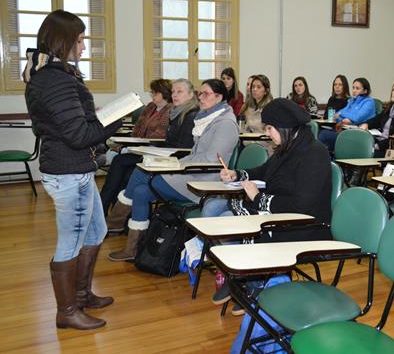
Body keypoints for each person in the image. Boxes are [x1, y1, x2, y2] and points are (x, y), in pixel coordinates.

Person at [24, 10, 121, 330]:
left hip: (75, 168)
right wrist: (115, 120)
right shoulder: (55, 79)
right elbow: (79, 135)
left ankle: (81, 295)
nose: (83, 47)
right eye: (79, 40)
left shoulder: (52, 73)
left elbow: (75, 123)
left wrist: (101, 117)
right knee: (70, 241)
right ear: (62, 40)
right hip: (69, 171)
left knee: (96, 232)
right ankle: (66, 311)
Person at [202, 98, 332, 307]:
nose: (267, 133)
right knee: (212, 207)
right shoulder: (288, 146)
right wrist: (237, 174)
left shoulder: (314, 153)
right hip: (279, 211)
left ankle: (248, 278)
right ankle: (239, 273)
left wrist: (258, 198)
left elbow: (302, 205)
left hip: (304, 225)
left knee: (226, 219)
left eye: (270, 128)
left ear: (285, 127)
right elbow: (264, 171)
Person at [107, 79, 238, 261]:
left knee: (141, 173)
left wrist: (175, 166)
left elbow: (211, 161)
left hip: (203, 182)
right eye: (200, 93)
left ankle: (113, 222)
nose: (201, 97)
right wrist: (172, 164)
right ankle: (133, 249)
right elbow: (194, 155)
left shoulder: (225, 124)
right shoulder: (207, 118)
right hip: (190, 174)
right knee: (140, 191)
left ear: (219, 97)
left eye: (206, 94)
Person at [102, 79, 198, 230]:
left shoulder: (188, 115)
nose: (174, 95)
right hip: (157, 152)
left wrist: (151, 151)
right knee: (125, 169)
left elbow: (182, 148)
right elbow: (140, 129)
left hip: (172, 162)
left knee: (129, 169)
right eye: (173, 91)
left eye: (179, 92)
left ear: (191, 95)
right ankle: (117, 219)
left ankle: (114, 218)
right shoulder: (176, 112)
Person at [100, 78, 173, 166]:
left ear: (165, 93)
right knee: (111, 153)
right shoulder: (150, 106)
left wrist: (133, 147)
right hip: (138, 144)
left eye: (155, 93)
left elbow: (159, 136)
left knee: (117, 158)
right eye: (152, 92)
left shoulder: (170, 109)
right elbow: (138, 126)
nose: (152, 95)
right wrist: (127, 144)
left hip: (152, 148)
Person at [318, 77, 376, 153]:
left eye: (357, 88)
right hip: (345, 131)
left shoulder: (369, 102)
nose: (354, 91)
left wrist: (344, 115)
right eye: (353, 88)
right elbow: (336, 116)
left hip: (359, 135)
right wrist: (344, 119)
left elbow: (357, 117)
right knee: (320, 131)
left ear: (365, 91)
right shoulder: (352, 101)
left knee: (324, 135)